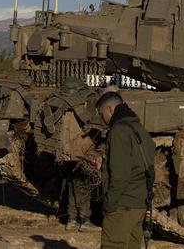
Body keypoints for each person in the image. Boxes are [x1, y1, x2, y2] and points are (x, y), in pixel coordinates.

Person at [97, 91, 155, 249]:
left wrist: (109, 204)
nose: (102, 120)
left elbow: (119, 175)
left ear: (110, 109)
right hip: (139, 204)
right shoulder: (139, 129)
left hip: (122, 205)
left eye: (102, 114)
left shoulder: (119, 131)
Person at [64, 163, 99, 232]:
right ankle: (85, 221)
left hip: (71, 160)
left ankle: (72, 220)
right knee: (82, 182)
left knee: (73, 183)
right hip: (80, 159)